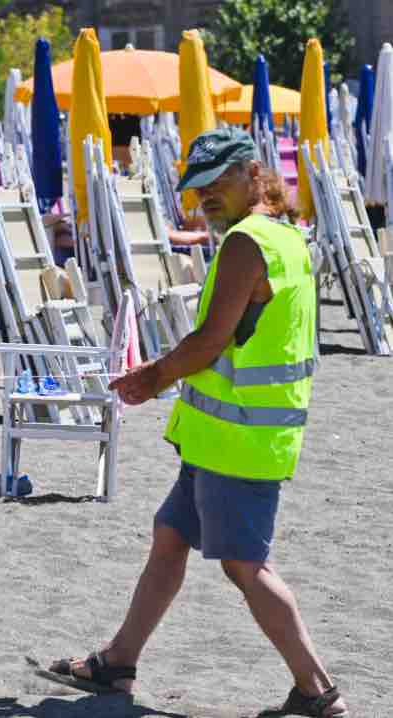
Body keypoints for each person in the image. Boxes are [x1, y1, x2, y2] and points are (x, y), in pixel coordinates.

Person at [41, 128, 348, 717]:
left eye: (217, 181)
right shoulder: (286, 236)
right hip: (235, 434)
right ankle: (118, 662)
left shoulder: (246, 243)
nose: (205, 195)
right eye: (198, 186)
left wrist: (152, 376)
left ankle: (318, 691)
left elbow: (212, 339)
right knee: (171, 535)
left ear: (253, 174)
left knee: (245, 565)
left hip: (238, 438)